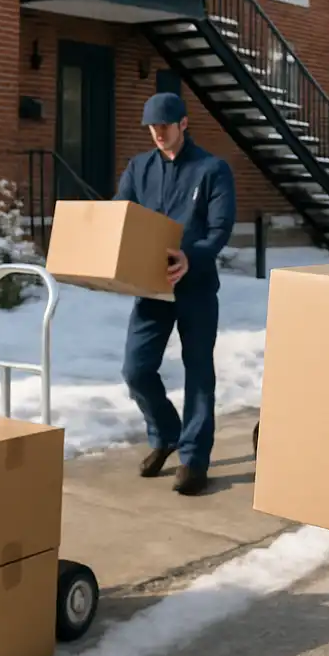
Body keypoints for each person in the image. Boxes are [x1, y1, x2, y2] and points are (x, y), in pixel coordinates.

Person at [114, 92, 236, 497]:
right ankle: (166, 433)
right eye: (152, 128)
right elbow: (121, 217)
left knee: (198, 371)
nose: (158, 134)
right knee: (136, 370)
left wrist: (192, 256)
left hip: (196, 287)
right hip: (151, 286)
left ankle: (194, 459)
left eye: (165, 127)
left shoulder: (212, 169)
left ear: (183, 124)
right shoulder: (139, 168)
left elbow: (219, 230)